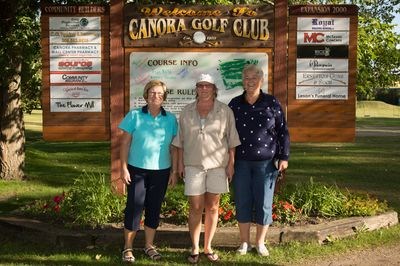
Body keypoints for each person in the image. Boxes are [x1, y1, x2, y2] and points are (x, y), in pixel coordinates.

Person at [172, 74, 241, 264]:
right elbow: (180, 141)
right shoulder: (187, 111)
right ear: (196, 88)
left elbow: (232, 140)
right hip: (193, 165)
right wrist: (179, 165)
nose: (204, 89)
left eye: (207, 86)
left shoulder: (225, 111)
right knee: (195, 206)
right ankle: (195, 247)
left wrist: (231, 163)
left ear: (213, 89)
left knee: (212, 207)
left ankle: (208, 246)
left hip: (218, 166)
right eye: (200, 86)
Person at [228, 64, 290, 256]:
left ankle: (260, 243)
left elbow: (282, 131)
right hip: (241, 162)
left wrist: (284, 156)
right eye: (247, 77)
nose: (250, 81)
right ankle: (244, 243)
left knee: (264, 202)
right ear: (242, 81)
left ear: (261, 80)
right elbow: (227, 133)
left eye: (254, 77)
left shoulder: (271, 102)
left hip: (266, 163)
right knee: (242, 201)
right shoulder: (234, 104)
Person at [119, 80, 178, 263]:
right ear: (146, 95)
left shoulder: (170, 119)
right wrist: (123, 167)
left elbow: (174, 148)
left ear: (164, 97)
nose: (156, 96)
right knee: (134, 207)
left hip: (161, 171)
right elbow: (125, 143)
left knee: (154, 209)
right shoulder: (134, 115)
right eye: (152, 93)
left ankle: (149, 246)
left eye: (160, 94)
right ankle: (128, 248)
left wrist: (174, 172)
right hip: (137, 169)